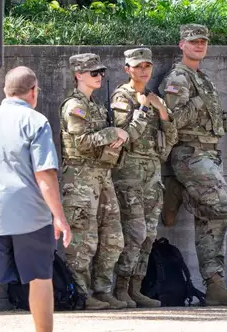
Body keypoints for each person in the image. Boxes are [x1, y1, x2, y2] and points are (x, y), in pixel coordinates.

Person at [158, 24, 227, 306]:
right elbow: (171, 119)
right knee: (226, 206)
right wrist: (198, 102)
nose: (199, 45)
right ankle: (178, 190)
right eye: (193, 41)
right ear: (181, 44)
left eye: (203, 41)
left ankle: (214, 284)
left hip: (210, 155)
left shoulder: (203, 78)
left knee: (212, 219)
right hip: (190, 153)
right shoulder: (178, 78)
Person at [0, 66, 72, 332]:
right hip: (31, 216)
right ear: (34, 91)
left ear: (6, 90)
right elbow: (45, 175)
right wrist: (59, 218)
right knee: (40, 278)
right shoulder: (36, 122)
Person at [59, 53, 130, 310]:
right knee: (82, 241)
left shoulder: (97, 105)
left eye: (101, 72)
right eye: (93, 73)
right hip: (79, 179)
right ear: (78, 75)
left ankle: (103, 290)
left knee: (113, 238)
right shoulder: (74, 106)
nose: (99, 77)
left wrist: (115, 139)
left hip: (102, 176)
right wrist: (112, 133)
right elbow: (80, 142)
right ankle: (81, 294)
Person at [111, 48, 178, 308]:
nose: (143, 70)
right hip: (129, 174)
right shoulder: (122, 96)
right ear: (128, 69)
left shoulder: (154, 97)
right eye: (138, 66)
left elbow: (170, 139)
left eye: (147, 66)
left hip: (152, 174)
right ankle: (120, 288)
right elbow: (126, 137)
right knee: (135, 232)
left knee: (149, 234)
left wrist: (161, 110)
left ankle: (135, 288)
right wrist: (141, 107)